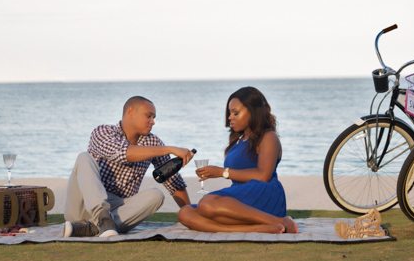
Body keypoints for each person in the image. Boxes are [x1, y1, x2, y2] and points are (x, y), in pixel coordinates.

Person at [64, 96, 194, 238]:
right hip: (84, 204)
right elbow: (122, 153)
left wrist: (190, 214)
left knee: (156, 195)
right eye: (148, 116)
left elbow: (173, 181)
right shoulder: (103, 132)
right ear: (130, 112)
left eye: (154, 117)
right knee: (84, 157)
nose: (153, 122)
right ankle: (103, 219)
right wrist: (169, 149)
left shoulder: (153, 142)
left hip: (118, 209)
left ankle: (93, 228)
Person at [178, 87, 297, 234]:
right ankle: (259, 228)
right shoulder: (239, 140)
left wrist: (222, 172)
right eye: (229, 113)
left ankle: (277, 220)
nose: (230, 117)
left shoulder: (268, 137)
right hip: (242, 196)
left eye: (235, 113)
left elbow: (263, 175)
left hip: (264, 194)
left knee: (206, 204)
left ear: (253, 111)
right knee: (185, 212)